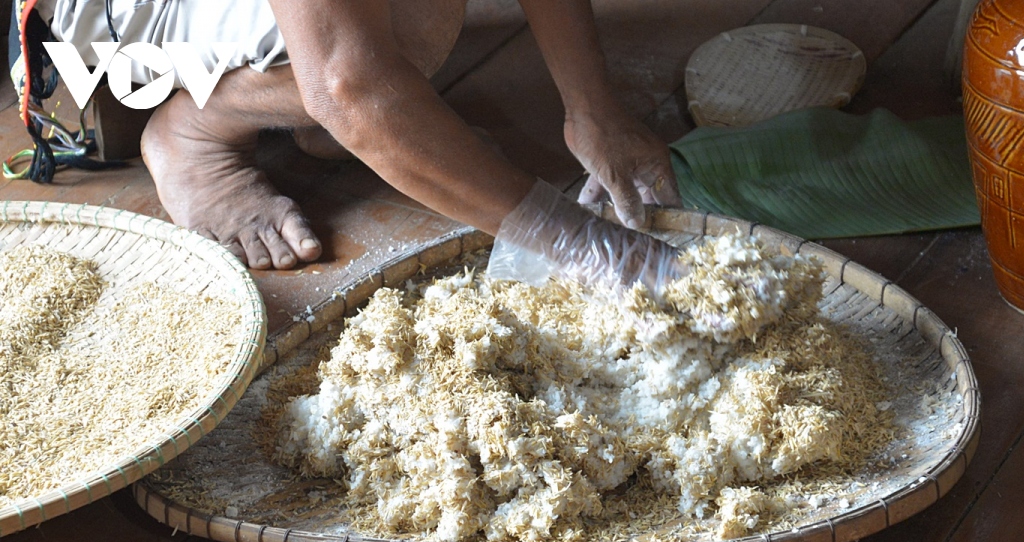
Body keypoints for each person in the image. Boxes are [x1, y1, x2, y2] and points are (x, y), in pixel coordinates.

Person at [19, 0, 683, 293]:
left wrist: (593, 111)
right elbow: (348, 83)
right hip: (98, 27)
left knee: (395, 35)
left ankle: (320, 110)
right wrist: (585, 245)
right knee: (406, 29)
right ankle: (194, 127)